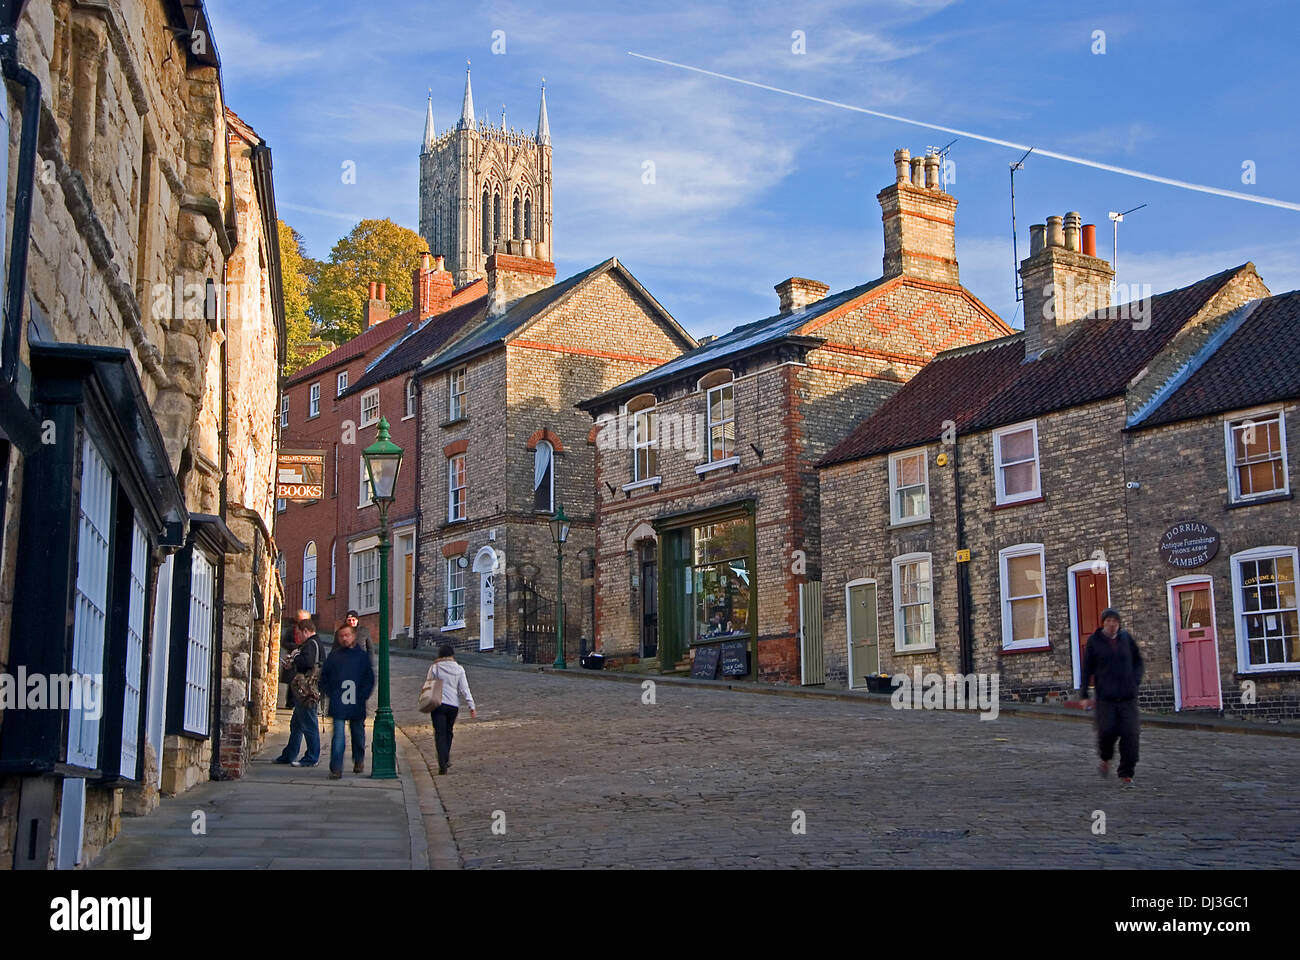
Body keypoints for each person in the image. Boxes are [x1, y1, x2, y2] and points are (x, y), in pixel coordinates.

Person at [1079, 607, 1144, 785]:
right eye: (1108, 621)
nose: (1112, 624)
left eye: (1115, 621)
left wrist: (1135, 681)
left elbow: (1138, 661)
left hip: (1127, 696)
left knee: (1130, 734)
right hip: (1106, 698)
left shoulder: (1126, 639)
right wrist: (1084, 694)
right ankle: (1106, 758)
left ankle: (1126, 772)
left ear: (1119, 623)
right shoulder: (1094, 641)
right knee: (1107, 731)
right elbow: (1087, 669)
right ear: (1103, 623)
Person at [320, 624, 374, 779]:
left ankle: (359, 759)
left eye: (347, 635)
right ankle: (336, 767)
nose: (344, 638)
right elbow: (325, 677)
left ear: (353, 636)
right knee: (338, 736)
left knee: (358, 734)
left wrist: (362, 695)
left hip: (356, 702)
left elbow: (369, 678)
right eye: (341, 636)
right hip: (338, 703)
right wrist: (331, 693)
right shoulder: (334, 656)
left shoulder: (361, 657)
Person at [273, 619, 323, 767]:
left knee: (309, 724)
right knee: (296, 724)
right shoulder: (313, 644)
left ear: (306, 631)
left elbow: (307, 663)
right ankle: (289, 754)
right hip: (306, 692)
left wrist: (294, 657)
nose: (298, 637)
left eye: (299, 633)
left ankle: (312, 757)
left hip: (307, 692)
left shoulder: (311, 644)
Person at [427, 643, 476, 775]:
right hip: (453, 705)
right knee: (449, 731)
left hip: (438, 703)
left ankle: (442, 760)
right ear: (452, 655)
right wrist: (471, 705)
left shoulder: (435, 667)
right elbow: (464, 689)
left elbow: (429, 684)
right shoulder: (459, 669)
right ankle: (446, 756)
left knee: (439, 733)